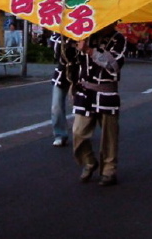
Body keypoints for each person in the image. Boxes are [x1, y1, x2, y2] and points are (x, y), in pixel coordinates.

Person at [72, 23, 126, 187]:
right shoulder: (87, 34)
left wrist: (89, 51)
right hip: (85, 91)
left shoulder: (119, 39)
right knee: (78, 132)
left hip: (107, 92)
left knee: (109, 136)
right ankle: (89, 161)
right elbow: (71, 60)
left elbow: (114, 65)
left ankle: (109, 171)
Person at [49, 33, 78, 147]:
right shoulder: (58, 32)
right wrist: (68, 43)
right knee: (56, 106)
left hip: (80, 72)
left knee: (80, 105)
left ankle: (82, 131)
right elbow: (54, 46)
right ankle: (60, 134)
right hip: (62, 72)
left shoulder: (85, 31)